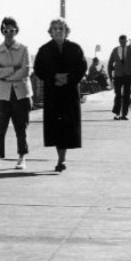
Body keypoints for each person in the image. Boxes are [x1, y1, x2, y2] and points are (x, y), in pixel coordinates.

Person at [32, 18, 87, 172]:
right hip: (53, 92)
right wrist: (54, 77)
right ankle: (60, 158)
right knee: (56, 127)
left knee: (67, 126)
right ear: (50, 32)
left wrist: (68, 78)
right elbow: (38, 69)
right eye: (55, 29)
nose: (58, 31)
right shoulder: (44, 50)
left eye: (61, 28)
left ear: (66, 31)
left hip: (69, 92)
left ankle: (62, 159)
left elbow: (82, 66)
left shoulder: (75, 48)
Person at [0, 16, 32, 171]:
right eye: (5, 30)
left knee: (21, 127)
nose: (8, 34)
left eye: (12, 30)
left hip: (21, 94)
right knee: (0, 128)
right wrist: (13, 70)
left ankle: (21, 157)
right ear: (2, 31)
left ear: (16, 31)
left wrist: (6, 76)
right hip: (2, 95)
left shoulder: (24, 49)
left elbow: (26, 71)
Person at [107, 34, 131, 119]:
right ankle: (117, 114)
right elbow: (110, 64)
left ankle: (124, 114)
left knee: (126, 95)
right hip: (118, 75)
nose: (123, 43)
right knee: (118, 95)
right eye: (121, 42)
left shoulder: (130, 49)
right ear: (119, 41)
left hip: (128, 76)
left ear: (126, 41)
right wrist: (110, 77)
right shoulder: (115, 50)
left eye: (124, 42)